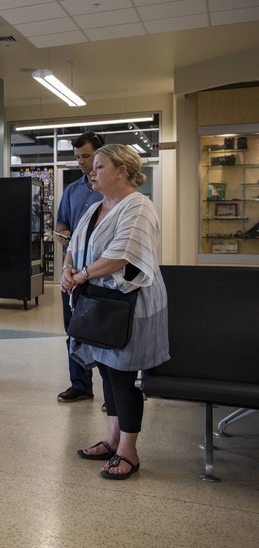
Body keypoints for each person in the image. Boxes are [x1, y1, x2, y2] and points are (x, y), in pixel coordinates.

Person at [63, 144, 169, 480]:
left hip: (128, 304)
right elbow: (75, 245)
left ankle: (129, 451)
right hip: (99, 302)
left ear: (122, 170)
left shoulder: (137, 207)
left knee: (122, 375)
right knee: (106, 371)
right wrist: (68, 268)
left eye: (99, 166)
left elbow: (123, 255)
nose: (91, 172)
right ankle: (112, 439)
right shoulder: (95, 207)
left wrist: (80, 275)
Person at [54, 131, 104, 403]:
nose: (82, 162)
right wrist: (64, 235)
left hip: (101, 273)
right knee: (74, 329)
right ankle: (81, 384)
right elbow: (62, 221)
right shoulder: (73, 191)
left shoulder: (109, 192)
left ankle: (114, 394)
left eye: (87, 156)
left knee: (105, 332)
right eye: (77, 157)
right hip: (72, 271)